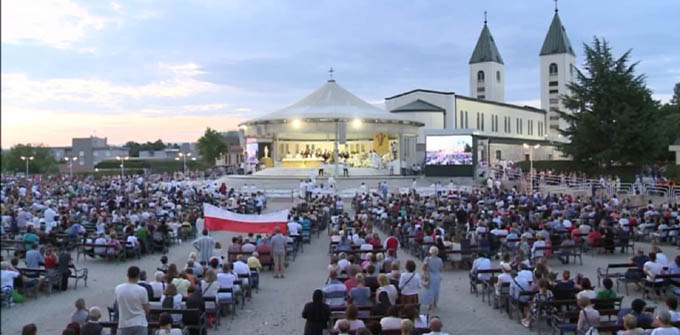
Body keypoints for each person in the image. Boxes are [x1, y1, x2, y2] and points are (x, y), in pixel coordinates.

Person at [114, 266, 150, 335]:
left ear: (127, 275)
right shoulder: (142, 290)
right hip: (139, 323)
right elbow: (147, 309)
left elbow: (118, 306)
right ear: (138, 276)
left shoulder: (118, 289)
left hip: (124, 323)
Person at [422, 246, 443, 311]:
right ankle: (435, 303)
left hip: (430, 275)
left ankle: (430, 304)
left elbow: (423, 268)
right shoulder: (439, 260)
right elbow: (440, 269)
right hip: (437, 275)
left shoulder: (427, 259)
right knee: (436, 290)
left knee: (430, 290)